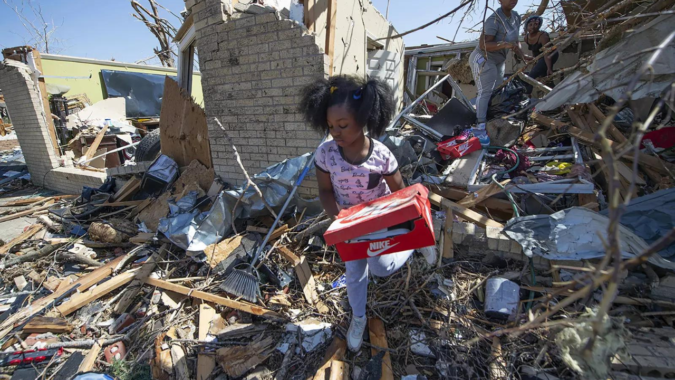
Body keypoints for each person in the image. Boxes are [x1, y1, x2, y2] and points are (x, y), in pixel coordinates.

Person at [299, 75, 414, 352]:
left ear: (363, 121)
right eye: (330, 126)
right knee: (354, 274)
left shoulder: (382, 156)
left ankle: (412, 246)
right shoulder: (326, 155)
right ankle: (358, 318)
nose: (335, 133)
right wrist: (339, 218)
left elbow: (401, 192)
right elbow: (326, 192)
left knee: (380, 267)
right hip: (348, 224)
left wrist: (407, 224)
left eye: (342, 125)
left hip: (379, 221)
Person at [469, 0, 529, 146]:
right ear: (500, 1)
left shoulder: (516, 17)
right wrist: (505, 45)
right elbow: (483, 44)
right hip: (483, 58)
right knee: (486, 91)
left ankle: (492, 122)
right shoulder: (494, 19)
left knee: (497, 92)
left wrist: (523, 56)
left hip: (499, 60)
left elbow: (515, 41)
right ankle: (480, 127)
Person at [523, 15, 558, 95]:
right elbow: (534, 51)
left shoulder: (543, 36)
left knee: (531, 76)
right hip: (540, 57)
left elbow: (547, 53)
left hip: (550, 55)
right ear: (527, 26)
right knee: (546, 79)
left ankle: (526, 96)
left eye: (536, 25)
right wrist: (535, 61)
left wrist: (549, 68)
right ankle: (556, 95)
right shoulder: (526, 38)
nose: (532, 27)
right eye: (530, 25)